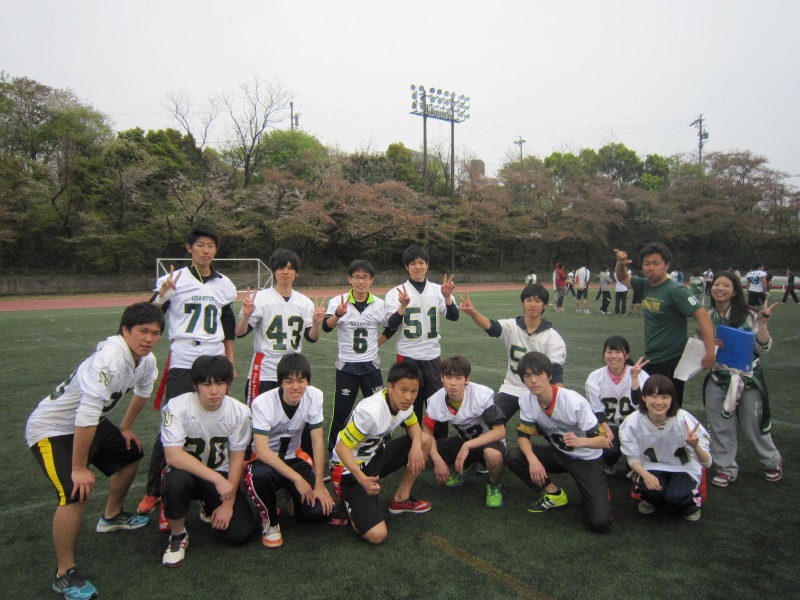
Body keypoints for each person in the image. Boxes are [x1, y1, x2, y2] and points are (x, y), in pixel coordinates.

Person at [26, 303, 165, 599]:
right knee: (74, 491)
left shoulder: (146, 360)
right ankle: (64, 573)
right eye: (143, 331)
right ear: (125, 329)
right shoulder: (109, 358)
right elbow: (86, 414)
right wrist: (78, 468)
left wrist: (126, 427)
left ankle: (111, 516)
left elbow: (143, 392)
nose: (149, 339)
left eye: (155, 333)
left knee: (130, 452)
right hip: (53, 428)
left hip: (89, 422)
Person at [138, 224, 238, 518]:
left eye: (211, 246)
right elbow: (150, 313)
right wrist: (162, 296)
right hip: (183, 358)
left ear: (216, 250)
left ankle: (210, 483)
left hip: (215, 357)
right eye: (200, 245)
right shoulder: (175, 279)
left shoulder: (224, 284)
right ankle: (155, 490)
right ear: (189, 248)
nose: (206, 251)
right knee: (172, 422)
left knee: (216, 419)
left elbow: (228, 325)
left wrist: (231, 361)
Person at [160, 356, 255, 568]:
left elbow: (237, 458)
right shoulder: (177, 406)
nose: (214, 391)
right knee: (175, 482)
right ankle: (178, 535)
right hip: (186, 474)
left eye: (220, 383)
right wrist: (218, 480)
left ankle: (208, 503)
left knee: (240, 533)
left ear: (228, 384)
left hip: (218, 472)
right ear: (195, 385)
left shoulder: (240, 411)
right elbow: (173, 455)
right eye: (206, 384)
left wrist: (228, 503)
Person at [505, 352, 612, 533]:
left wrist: (580, 441)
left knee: (600, 522)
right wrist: (532, 459)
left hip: (585, 458)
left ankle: (601, 491)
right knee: (514, 457)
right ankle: (553, 493)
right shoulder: (526, 399)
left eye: (538, 374)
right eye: (528, 376)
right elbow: (523, 436)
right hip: (559, 452)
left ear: (549, 376)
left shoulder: (572, 401)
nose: (533, 380)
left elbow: (604, 441)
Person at [331, 361, 432, 545]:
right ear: (390, 387)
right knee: (377, 535)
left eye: (414, 391)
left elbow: (413, 425)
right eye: (403, 390)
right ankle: (346, 501)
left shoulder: (405, 404)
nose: (409, 397)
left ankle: (401, 499)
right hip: (349, 469)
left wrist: (416, 446)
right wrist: (362, 479)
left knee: (424, 440)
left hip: (374, 456)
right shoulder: (371, 411)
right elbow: (341, 448)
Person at [245, 354, 334, 548]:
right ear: (280, 382)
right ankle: (270, 520)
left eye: (301, 381)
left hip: (294, 456)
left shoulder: (314, 396)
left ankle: (293, 498)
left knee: (321, 511)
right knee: (260, 476)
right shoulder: (263, 402)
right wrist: (298, 479)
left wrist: (319, 484)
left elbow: (317, 441)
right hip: (266, 462)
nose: (295, 387)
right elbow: (262, 451)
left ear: (308, 381)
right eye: (289, 381)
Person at [704, 272, 783, 487]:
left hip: (747, 378)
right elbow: (699, 349)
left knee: (752, 425)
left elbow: (762, 349)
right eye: (717, 284)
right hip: (718, 377)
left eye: (726, 285)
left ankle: (772, 460)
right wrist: (709, 348)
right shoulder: (707, 316)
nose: (720, 288)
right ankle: (726, 468)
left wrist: (763, 324)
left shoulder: (750, 315)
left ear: (735, 291)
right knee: (719, 425)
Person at [615, 244, 716, 407]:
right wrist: (620, 263)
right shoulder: (645, 285)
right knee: (648, 406)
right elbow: (622, 278)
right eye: (647, 264)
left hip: (671, 360)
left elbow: (703, 316)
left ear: (667, 265)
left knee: (668, 408)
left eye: (656, 263)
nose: (651, 268)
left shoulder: (676, 290)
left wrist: (710, 352)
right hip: (651, 358)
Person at [459, 284, 566, 423]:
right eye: (529, 300)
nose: (533, 305)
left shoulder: (552, 337)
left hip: (539, 390)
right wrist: (473, 313)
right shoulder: (512, 326)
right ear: (522, 303)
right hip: (512, 388)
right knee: (487, 421)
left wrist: (559, 401)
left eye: (538, 301)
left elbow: (556, 372)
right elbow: (492, 327)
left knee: (552, 428)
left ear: (544, 305)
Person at [383, 245, 458, 437]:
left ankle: (439, 443)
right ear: (406, 267)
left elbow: (454, 316)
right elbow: (391, 324)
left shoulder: (438, 290)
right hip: (408, 355)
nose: (417, 267)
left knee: (438, 403)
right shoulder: (396, 292)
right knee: (410, 403)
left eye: (421, 262)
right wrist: (402, 306)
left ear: (427, 265)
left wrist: (448, 297)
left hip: (432, 355)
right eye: (413, 263)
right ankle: (413, 442)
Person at [236, 248, 325, 405]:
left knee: (291, 416)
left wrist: (316, 324)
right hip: (265, 369)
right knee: (258, 414)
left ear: (296, 272)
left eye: (290, 268)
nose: (285, 272)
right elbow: (240, 332)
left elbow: (312, 338)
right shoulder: (260, 298)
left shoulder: (304, 302)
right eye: (281, 267)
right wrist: (246, 315)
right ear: (273, 271)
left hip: (292, 371)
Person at [620, 375, 711, 521]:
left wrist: (696, 447)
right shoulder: (632, 421)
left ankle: (690, 506)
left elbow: (707, 462)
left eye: (664, 397)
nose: (659, 402)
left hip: (683, 467)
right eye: (653, 396)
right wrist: (645, 474)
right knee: (649, 489)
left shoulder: (683, 419)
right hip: (652, 465)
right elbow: (632, 458)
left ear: (672, 399)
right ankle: (654, 499)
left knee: (677, 496)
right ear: (643, 397)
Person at [322, 260, 388, 457]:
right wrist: (337, 314)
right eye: (357, 277)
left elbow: (392, 325)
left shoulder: (379, 304)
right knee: (341, 412)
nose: (361, 281)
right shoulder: (338, 301)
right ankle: (334, 449)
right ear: (349, 279)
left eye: (365, 277)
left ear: (371, 280)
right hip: (347, 367)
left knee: (379, 409)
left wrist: (379, 342)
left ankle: (383, 446)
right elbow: (326, 327)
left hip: (371, 366)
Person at [422, 356, 507, 507]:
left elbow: (500, 432)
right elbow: (426, 435)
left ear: (467, 379)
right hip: (465, 439)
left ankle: (494, 484)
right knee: (424, 454)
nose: (453, 383)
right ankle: (468, 466)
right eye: (449, 377)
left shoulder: (480, 395)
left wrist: (467, 446)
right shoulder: (435, 400)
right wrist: (437, 460)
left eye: (458, 378)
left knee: (493, 455)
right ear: (441, 378)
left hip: (489, 442)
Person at [584, 335, 649, 475]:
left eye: (618, 352)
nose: (613, 356)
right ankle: (609, 462)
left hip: (636, 424)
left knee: (641, 455)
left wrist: (634, 378)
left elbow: (640, 405)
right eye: (609, 352)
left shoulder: (641, 375)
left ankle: (634, 465)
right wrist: (606, 430)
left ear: (627, 355)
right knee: (609, 450)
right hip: (610, 423)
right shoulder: (595, 377)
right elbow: (596, 409)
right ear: (604, 354)